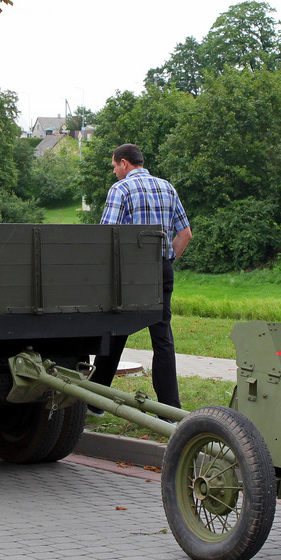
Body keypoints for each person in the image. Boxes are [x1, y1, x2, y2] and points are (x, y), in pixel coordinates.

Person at [90, 144, 192, 412]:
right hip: (160, 270)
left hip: (129, 273)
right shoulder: (167, 187)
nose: (114, 172)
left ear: (124, 163)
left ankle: (96, 401)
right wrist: (167, 260)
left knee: (114, 332)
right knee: (162, 337)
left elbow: (105, 236)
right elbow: (185, 234)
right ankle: (170, 408)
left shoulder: (121, 189)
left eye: (114, 166)